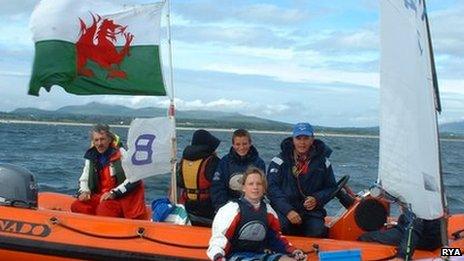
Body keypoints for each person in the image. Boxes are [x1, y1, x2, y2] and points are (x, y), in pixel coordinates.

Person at [207, 167, 306, 261]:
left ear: (264, 188)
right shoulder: (231, 209)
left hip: (259, 254)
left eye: (259, 184)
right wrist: (218, 257)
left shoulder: (269, 211)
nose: (255, 187)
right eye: (251, 184)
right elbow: (219, 238)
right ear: (243, 187)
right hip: (234, 255)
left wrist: (293, 251)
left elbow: (276, 239)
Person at [267, 122, 337, 237]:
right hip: (284, 210)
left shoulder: (323, 162)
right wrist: (288, 210)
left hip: (311, 212)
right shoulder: (278, 161)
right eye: (298, 138)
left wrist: (317, 199)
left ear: (312, 139)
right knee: (281, 227)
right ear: (293, 139)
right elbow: (272, 188)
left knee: (317, 231)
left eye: (306, 138)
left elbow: (331, 187)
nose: (302, 142)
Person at [71, 124, 146, 219]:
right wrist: (84, 191)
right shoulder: (91, 157)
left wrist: (114, 193)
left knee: (104, 209)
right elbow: (85, 178)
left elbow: (135, 178)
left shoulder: (121, 154)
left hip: (119, 198)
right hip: (100, 196)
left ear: (110, 139)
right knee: (77, 206)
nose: (99, 143)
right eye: (96, 140)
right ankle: (88, 229)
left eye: (102, 139)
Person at [211, 129, 266, 211]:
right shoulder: (224, 162)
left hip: (251, 206)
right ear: (233, 144)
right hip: (228, 205)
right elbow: (217, 186)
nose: (241, 147)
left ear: (250, 143)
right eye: (237, 144)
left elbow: (261, 187)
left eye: (244, 144)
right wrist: (222, 207)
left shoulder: (258, 163)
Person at [358, 208, 442, 260]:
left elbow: (414, 229)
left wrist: (401, 257)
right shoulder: (429, 200)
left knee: (365, 237)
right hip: (432, 236)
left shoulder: (417, 208)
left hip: (421, 240)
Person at [177, 129, 221, 226]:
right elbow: (219, 185)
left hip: (188, 207)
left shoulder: (183, 161)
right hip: (208, 209)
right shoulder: (213, 161)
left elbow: (180, 183)